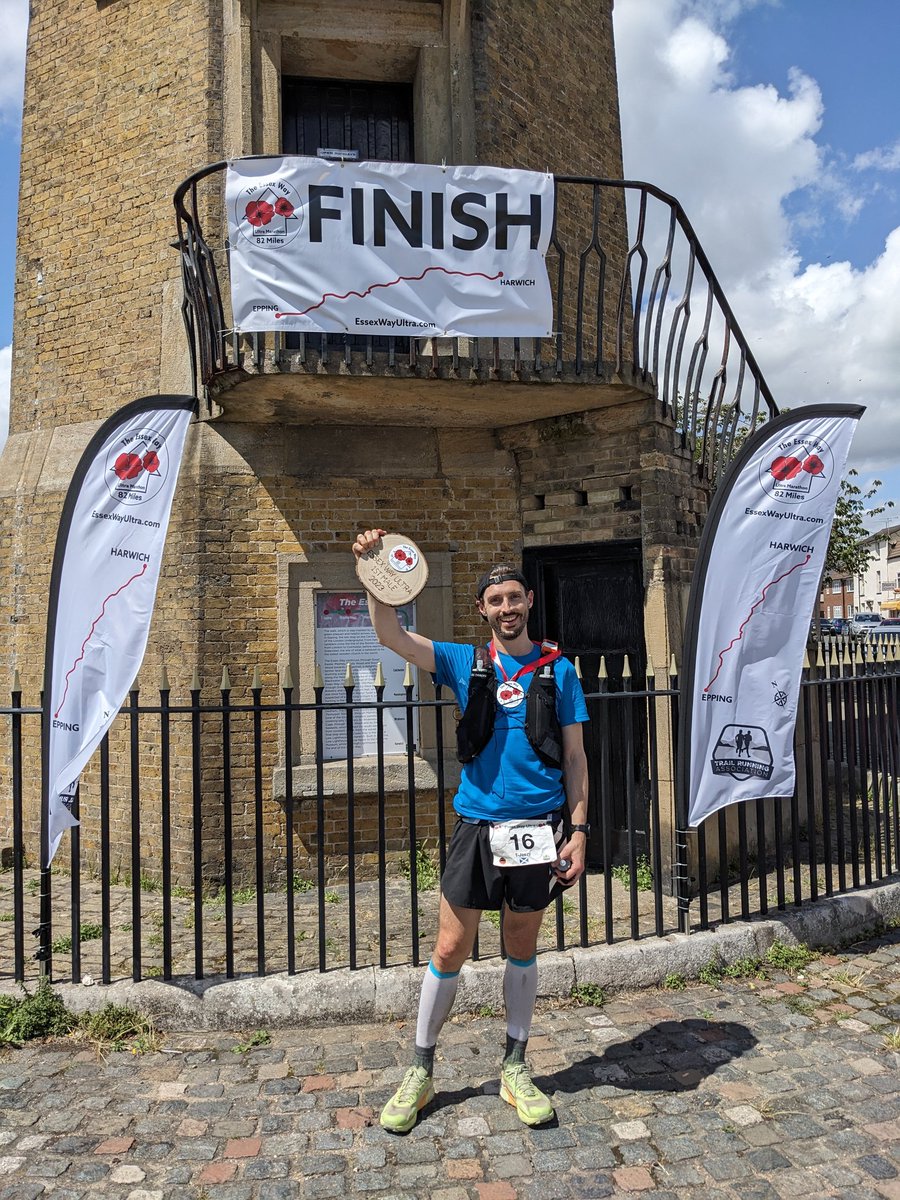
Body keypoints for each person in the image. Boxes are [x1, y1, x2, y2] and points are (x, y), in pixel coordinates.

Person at [351, 529, 590, 1133]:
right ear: (482, 610)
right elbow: (391, 635)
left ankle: (515, 1065)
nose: (506, 608)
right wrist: (376, 577)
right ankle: (421, 1069)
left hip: (538, 824)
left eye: (514, 597)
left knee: (520, 943)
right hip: (478, 822)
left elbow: (577, 756)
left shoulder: (559, 670)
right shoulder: (464, 660)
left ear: (528, 601)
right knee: (450, 946)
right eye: (495, 601)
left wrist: (579, 830)